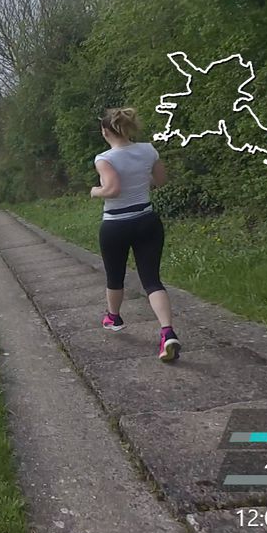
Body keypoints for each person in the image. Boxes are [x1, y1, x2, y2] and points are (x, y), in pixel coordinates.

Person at [90, 107, 181, 362]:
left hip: (116, 225)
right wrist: (140, 182)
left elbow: (113, 189)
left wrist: (95, 191)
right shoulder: (148, 150)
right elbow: (160, 180)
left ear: (105, 131)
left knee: (114, 276)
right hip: (147, 221)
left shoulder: (104, 158)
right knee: (152, 280)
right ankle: (167, 332)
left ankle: (114, 317)